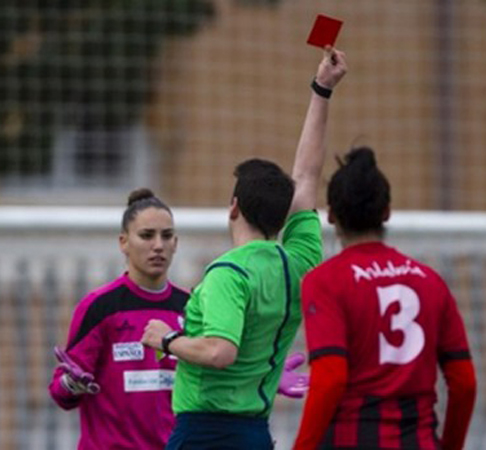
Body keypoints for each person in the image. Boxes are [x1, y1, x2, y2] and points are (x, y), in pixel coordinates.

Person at [141, 46, 348, 449]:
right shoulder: (300, 264)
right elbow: (306, 175)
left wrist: (166, 340)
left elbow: (221, 351)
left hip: (204, 433)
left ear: (233, 206)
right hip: (255, 433)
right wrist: (321, 90)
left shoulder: (227, 273)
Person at [48, 189, 310, 450]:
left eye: (167, 235)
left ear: (176, 243)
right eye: (147, 235)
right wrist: (71, 383)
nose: (158, 245)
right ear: (123, 242)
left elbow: (215, 367)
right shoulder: (99, 307)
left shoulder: (193, 306)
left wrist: (262, 370)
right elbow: (61, 393)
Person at [292, 147, 477, 450]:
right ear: (387, 211)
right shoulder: (430, 281)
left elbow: (330, 378)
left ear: (331, 215)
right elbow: (465, 383)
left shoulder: (325, 281)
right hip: (418, 441)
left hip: (349, 439)